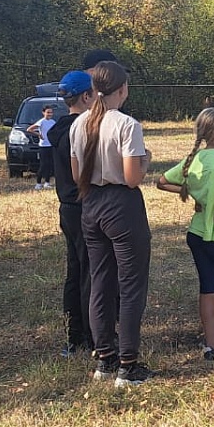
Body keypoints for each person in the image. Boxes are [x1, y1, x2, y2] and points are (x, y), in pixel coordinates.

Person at [69, 60, 154, 386]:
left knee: (100, 283)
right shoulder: (127, 124)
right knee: (131, 285)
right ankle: (129, 365)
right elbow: (132, 178)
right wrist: (144, 159)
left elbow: (78, 176)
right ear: (122, 89)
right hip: (122, 205)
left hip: (90, 206)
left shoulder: (79, 124)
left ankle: (105, 360)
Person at [157, 107, 214, 361]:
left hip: (197, 234)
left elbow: (162, 181)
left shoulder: (195, 159)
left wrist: (193, 194)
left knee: (208, 286)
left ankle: (211, 342)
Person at [50, 69, 98, 357]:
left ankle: (74, 336)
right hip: (83, 205)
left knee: (75, 271)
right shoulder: (82, 128)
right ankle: (94, 337)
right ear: (86, 95)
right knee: (92, 273)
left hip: (67, 207)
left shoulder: (58, 127)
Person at [27, 105, 58, 189]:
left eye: (51, 112)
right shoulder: (41, 122)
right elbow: (29, 129)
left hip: (50, 146)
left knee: (50, 164)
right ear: (43, 113)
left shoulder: (53, 122)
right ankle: (38, 183)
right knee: (43, 165)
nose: (49, 114)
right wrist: (39, 134)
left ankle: (47, 182)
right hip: (43, 146)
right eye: (48, 112)